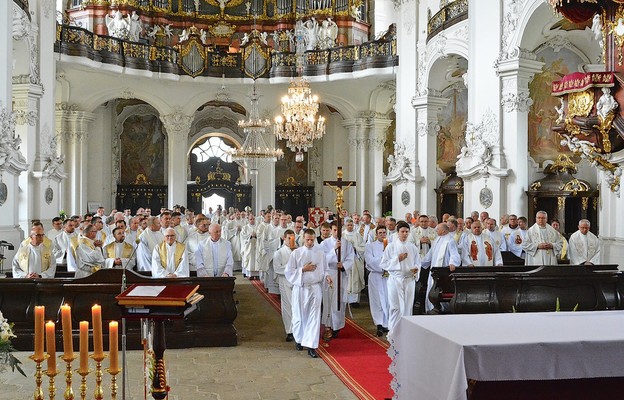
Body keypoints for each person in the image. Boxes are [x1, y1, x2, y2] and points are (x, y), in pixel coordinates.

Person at [285, 229, 333, 358]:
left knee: (314, 317)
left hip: (315, 288)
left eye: (312, 239)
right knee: (299, 316)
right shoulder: (296, 253)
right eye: (307, 240)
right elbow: (288, 272)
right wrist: (302, 269)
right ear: (303, 238)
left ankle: (311, 345)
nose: (310, 242)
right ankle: (300, 339)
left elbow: (325, 269)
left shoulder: (320, 253)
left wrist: (327, 276)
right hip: (301, 288)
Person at [382, 221, 421, 332]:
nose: (404, 234)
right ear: (397, 232)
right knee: (396, 307)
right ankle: (393, 331)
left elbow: (418, 262)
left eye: (406, 232)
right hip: (396, 279)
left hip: (409, 280)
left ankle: (406, 331)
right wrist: (397, 259)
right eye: (402, 232)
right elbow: (384, 264)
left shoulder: (412, 247)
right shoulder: (391, 247)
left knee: (408, 306)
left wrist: (416, 269)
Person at [320, 221, 355, 338]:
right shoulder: (325, 243)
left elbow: (351, 257)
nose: (337, 232)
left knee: (339, 301)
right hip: (330, 274)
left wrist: (344, 265)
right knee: (329, 301)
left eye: (339, 230)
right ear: (331, 230)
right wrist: (334, 250)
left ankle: (338, 325)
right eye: (334, 230)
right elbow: (322, 259)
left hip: (341, 275)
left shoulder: (347, 243)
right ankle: (328, 325)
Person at [420, 223, 460, 313]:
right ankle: (431, 309)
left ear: (444, 231)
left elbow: (454, 254)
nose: (436, 230)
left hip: (443, 271)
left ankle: (442, 310)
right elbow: (430, 254)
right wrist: (420, 263)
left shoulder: (450, 240)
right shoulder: (437, 239)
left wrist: (453, 263)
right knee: (432, 288)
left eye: (438, 229)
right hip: (434, 270)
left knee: (441, 290)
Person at [364, 225, 389, 336]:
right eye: (380, 233)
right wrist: (383, 261)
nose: (382, 234)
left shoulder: (390, 246)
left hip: (388, 277)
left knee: (387, 300)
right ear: (376, 234)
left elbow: (394, 260)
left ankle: (386, 323)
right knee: (377, 301)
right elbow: (369, 261)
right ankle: (378, 323)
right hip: (376, 275)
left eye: (384, 232)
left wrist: (388, 266)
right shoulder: (370, 247)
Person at [273, 229, 296, 342]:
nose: (291, 240)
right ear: (284, 238)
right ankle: (290, 331)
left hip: (296, 281)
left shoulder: (298, 251)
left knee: (296, 305)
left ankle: (297, 329)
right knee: (288, 306)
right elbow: (277, 269)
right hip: (285, 281)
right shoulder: (279, 253)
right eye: (289, 238)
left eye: (293, 238)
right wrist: (291, 269)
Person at [341, 218, 366, 305]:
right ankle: (346, 299)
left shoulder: (357, 235)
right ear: (345, 225)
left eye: (351, 225)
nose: (350, 226)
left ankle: (354, 301)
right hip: (346, 260)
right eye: (348, 225)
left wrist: (355, 249)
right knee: (347, 280)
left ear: (353, 226)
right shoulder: (342, 235)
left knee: (355, 279)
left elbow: (363, 247)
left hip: (355, 260)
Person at [240, 214, 259, 278]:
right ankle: (249, 274)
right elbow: (242, 237)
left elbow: (261, 235)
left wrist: (256, 236)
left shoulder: (258, 227)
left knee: (256, 259)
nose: (252, 220)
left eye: (253, 219)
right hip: (248, 246)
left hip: (256, 246)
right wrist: (250, 236)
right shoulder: (245, 227)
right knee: (250, 260)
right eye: (251, 219)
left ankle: (257, 274)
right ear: (248, 220)